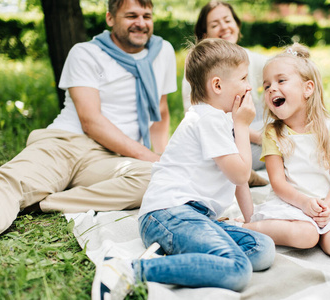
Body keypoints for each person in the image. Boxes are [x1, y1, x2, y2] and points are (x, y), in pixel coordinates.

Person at [91, 38, 275, 300]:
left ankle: (174, 253)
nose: (249, 86)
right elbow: (241, 174)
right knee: (238, 269)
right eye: (244, 78)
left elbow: (239, 182)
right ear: (218, 85)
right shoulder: (206, 119)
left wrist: (250, 220)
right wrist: (243, 126)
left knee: (261, 247)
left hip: (193, 218)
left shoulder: (220, 119)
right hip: (169, 213)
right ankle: (129, 269)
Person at [0, 0, 177, 242]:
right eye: (131, 15)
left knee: (157, 178)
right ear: (110, 18)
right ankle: (31, 193)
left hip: (112, 158)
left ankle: (45, 202)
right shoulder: (85, 52)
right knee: (10, 182)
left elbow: (160, 111)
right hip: (66, 143)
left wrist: (160, 160)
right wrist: (150, 157)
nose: (140, 23)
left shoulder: (163, 52)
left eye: (147, 16)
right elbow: (91, 121)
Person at [243, 43, 330, 260]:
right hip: (291, 204)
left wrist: (325, 208)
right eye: (267, 85)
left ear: (307, 88)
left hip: (327, 203)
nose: (272, 88)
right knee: (306, 236)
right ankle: (249, 227)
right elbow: (279, 183)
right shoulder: (273, 133)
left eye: (281, 81)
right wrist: (303, 204)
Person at [182, 1, 269, 186]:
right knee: (290, 143)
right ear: (205, 35)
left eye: (227, 20)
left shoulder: (248, 58)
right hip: (232, 137)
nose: (224, 27)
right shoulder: (198, 73)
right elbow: (205, 122)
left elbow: (282, 68)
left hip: (248, 127)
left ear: (237, 25)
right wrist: (258, 136)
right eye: (215, 24)